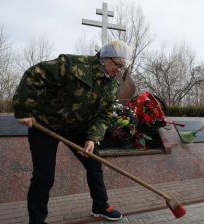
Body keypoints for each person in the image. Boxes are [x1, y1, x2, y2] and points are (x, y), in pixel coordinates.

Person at [13, 40, 130, 223]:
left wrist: (92, 138)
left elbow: (104, 115)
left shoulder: (112, 86)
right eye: (118, 65)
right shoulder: (72, 65)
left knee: (94, 166)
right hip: (46, 125)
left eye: (123, 67)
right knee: (44, 176)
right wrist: (23, 110)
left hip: (77, 129)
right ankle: (36, 220)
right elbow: (34, 75)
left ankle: (100, 205)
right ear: (105, 58)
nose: (119, 70)